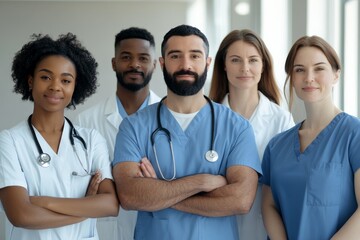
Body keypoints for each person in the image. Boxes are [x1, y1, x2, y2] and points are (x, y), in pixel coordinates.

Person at [112, 24, 262, 240]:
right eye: (175, 56)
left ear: (207, 63)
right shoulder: (133, 126)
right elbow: (129, 195)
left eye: (195, 56)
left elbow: (241, 199)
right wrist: (201, 182)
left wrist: (159, 193)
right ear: (162, 64)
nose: (185, 65)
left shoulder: (236, 127)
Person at [0, 33, 119, 240]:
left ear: (74, 87)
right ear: (30, 81)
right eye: (46, 77)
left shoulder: (91, 140)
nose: (55, 86)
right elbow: (21, 215)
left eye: (66, 80)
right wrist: (85, 208)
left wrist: (43, 202)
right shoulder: (9, 141)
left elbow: (110, 205)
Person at [261, 35, 360, 239]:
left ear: (336, 75)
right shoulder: (276, 146)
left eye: (319, 68)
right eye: (299, 70)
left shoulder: (353, 134)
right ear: (291, 78)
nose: (309, 77)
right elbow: (269, 205)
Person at [75, 27, 160, 240]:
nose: (134, 64)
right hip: (104, 229)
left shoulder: (169, 119)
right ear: (114, 63)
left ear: (155, 64)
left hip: (156, 225)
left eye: (143, 58)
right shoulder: (85, 122)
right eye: (126, 57)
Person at [208, 29, 294, 240]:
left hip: (262, 228)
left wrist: (223, 182)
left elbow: (285, 183)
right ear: (224, 65)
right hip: (212, 226)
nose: (245, 68)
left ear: (263, 65)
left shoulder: (281, 120)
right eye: (236, 60)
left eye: (253, 60)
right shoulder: (206, 119)